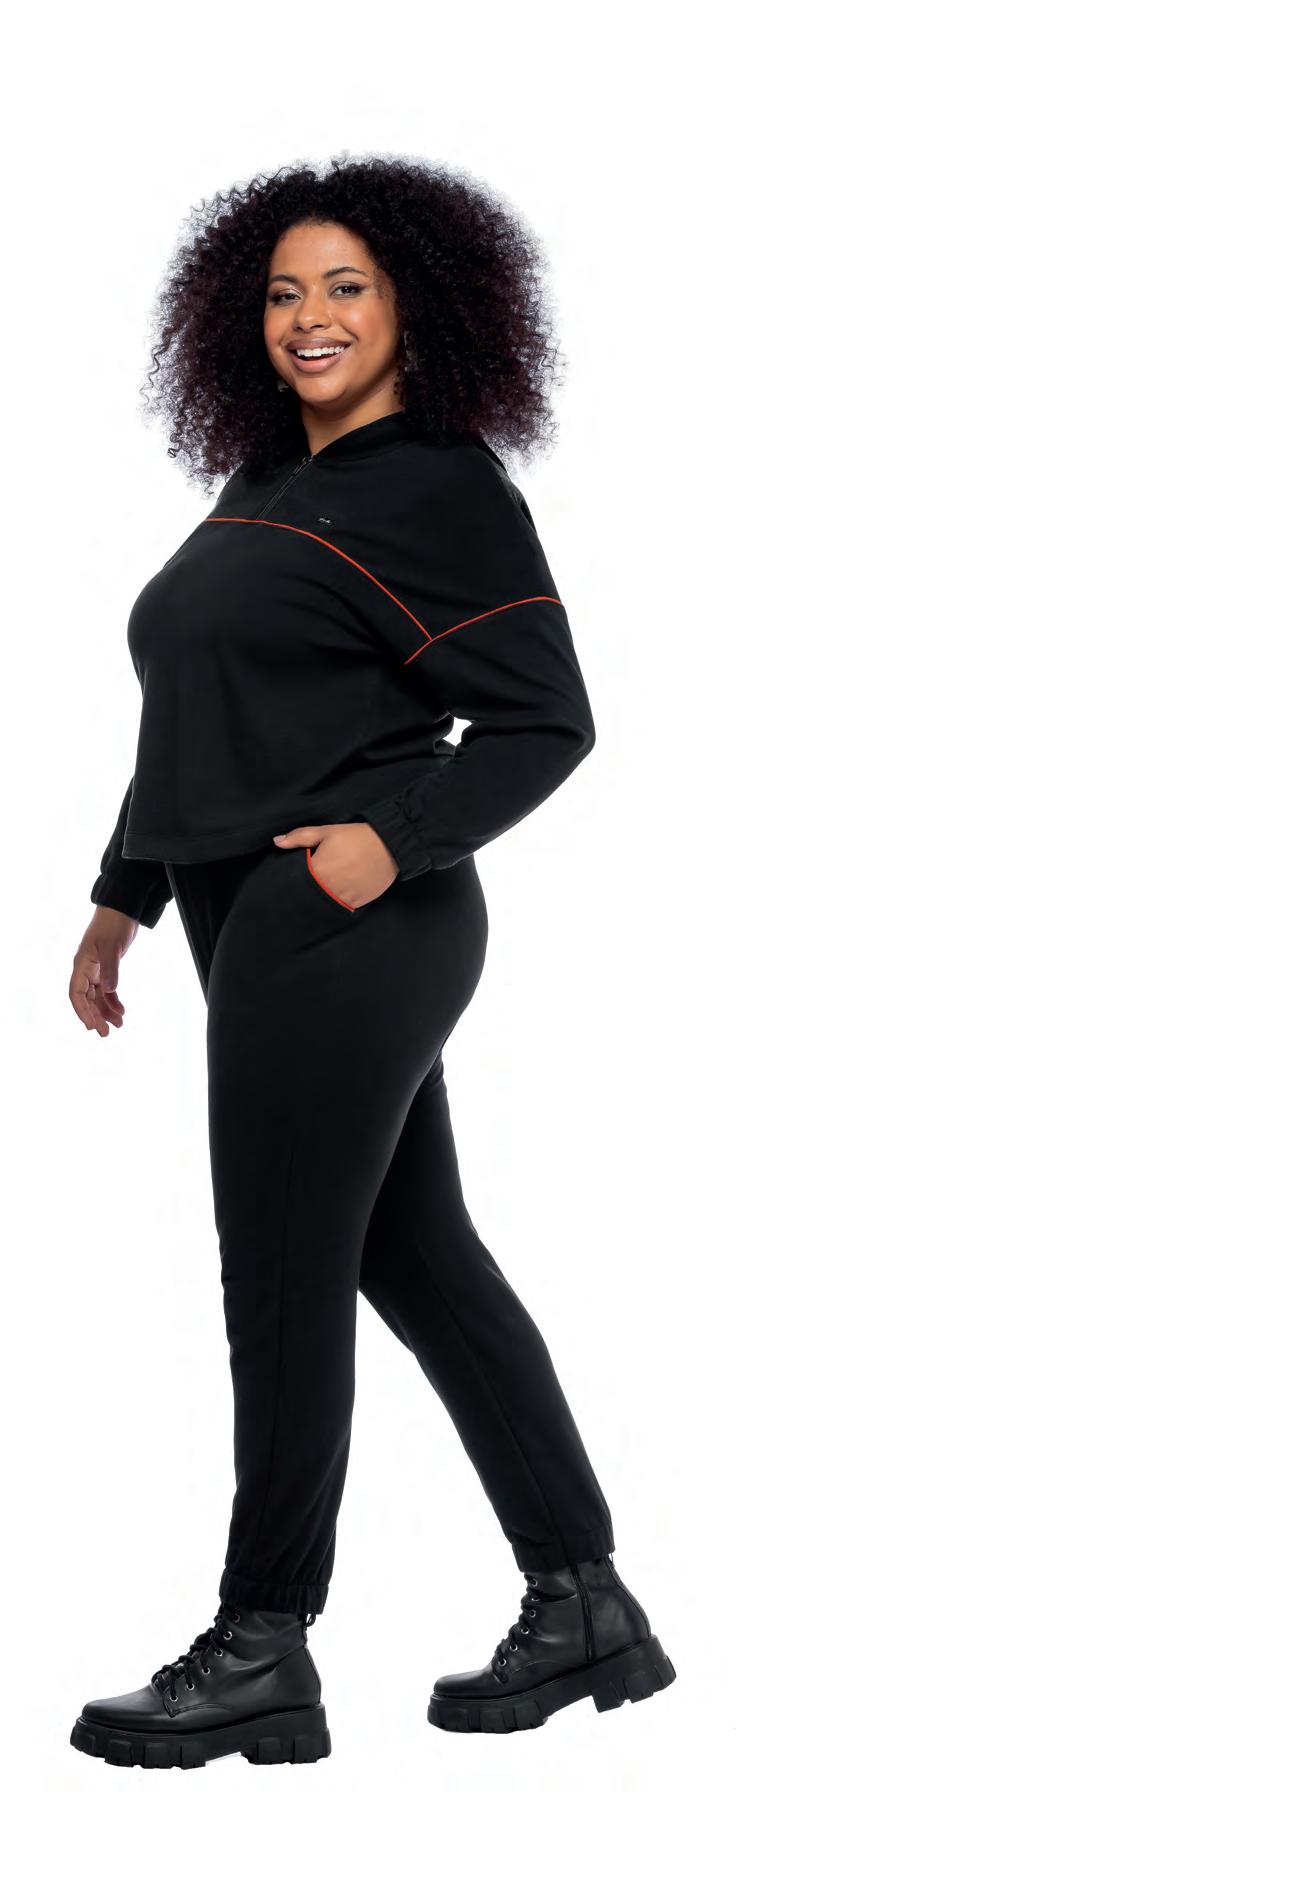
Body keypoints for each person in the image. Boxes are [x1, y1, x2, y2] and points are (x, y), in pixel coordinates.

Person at [66, 157, 674, 1770]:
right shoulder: (266, 481)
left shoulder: (441, 487)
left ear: (420, 307)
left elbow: (548, 718)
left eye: (347, 287)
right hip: (253, 920)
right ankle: (586, 1601)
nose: (311, 317)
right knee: (419, 1259)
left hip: (350, 921)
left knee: (278, 1269)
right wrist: (124, 897)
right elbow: (200, 714)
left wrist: (383, 843)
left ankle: (264, 1643)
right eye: (283, 292)